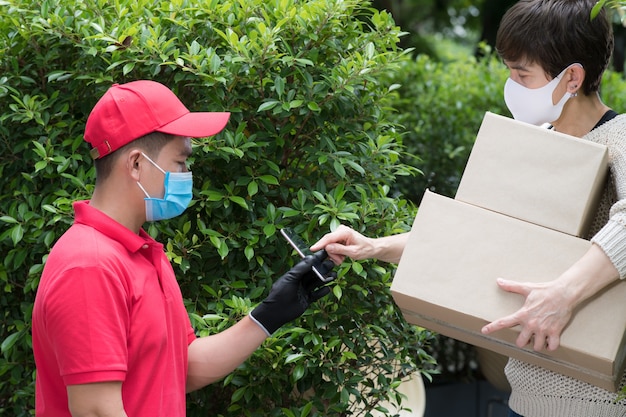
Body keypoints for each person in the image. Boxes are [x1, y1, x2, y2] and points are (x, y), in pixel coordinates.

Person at [312, 1, 626, 416]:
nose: (511, 84)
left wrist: (563, 293)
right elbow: (473, 233)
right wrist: (373, 246)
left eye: (521, 73)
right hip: (528, 394)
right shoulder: (535, 143)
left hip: (598, 401)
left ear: (571, 77)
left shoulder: (619, 139)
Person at [31, 80, 335, 417]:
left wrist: (270, 313)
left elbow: (180, 366)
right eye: (179, 162)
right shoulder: (90, 265)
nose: (186, 174)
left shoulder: (143, 254)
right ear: (135, 164)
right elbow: (96, 410)